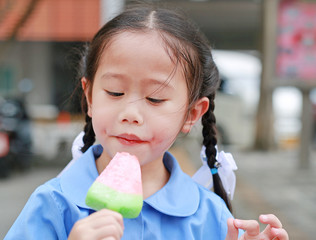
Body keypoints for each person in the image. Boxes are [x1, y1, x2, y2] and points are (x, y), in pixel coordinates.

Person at [5, 3, 288, 240]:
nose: (131, 113)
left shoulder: (211, 217)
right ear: (90, 97)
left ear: (191, 114)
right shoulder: (54, 204)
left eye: (154, 99)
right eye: (115, 92)